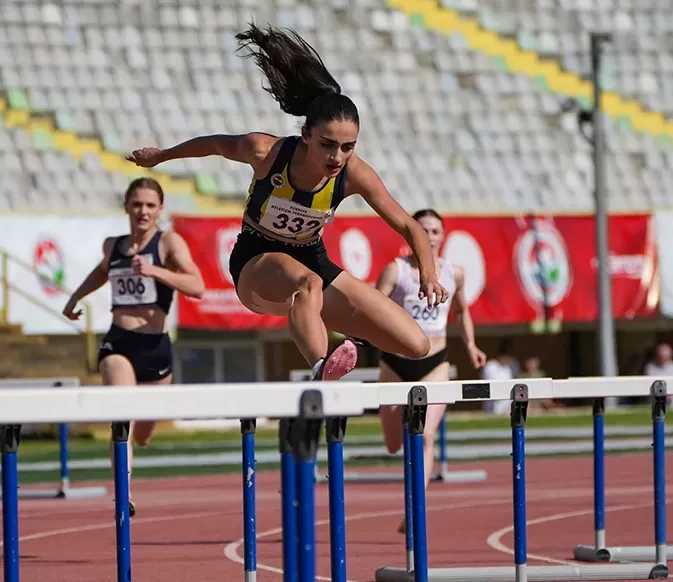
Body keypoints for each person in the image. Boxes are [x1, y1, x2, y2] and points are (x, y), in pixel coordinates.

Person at [125, 23, 449, 382]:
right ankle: (319, 368)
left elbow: (409, 225)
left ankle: (319, 323)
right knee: (306, 284)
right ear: (306, 136)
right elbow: (215, 144)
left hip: (312, 258)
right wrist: (161, 156)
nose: (336, 157)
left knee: (416, 343)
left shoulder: (355, 174)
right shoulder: (266, 152)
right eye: (327, 144)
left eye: (348, 147)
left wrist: (429, 275)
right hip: (257, 261)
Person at [62, 178, 205, 516]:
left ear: (160, 210)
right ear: (126, 206)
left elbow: (197, 286)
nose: (143, 211)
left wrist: (154, 270)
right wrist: (75, 296)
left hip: (155, 347)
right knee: (121, 412)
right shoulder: (113, 245)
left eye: (150, 205)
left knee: (142, 433)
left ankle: (139, 439)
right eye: (137, 204)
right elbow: (103, 272)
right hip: (119, 341)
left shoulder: (168, 243)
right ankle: (122, 492)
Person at [374, 210, 486, 529]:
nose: (430, 236)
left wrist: (471, 347)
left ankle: (414, 510)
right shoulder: (395, 272)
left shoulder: (455, 273)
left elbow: (462, 313)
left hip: (436, 363)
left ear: (443, 235)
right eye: (423, 230)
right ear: (411, 235)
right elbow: (371, 310)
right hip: (395, 364)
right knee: (394, 443)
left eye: (435, 230)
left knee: (424, 436)